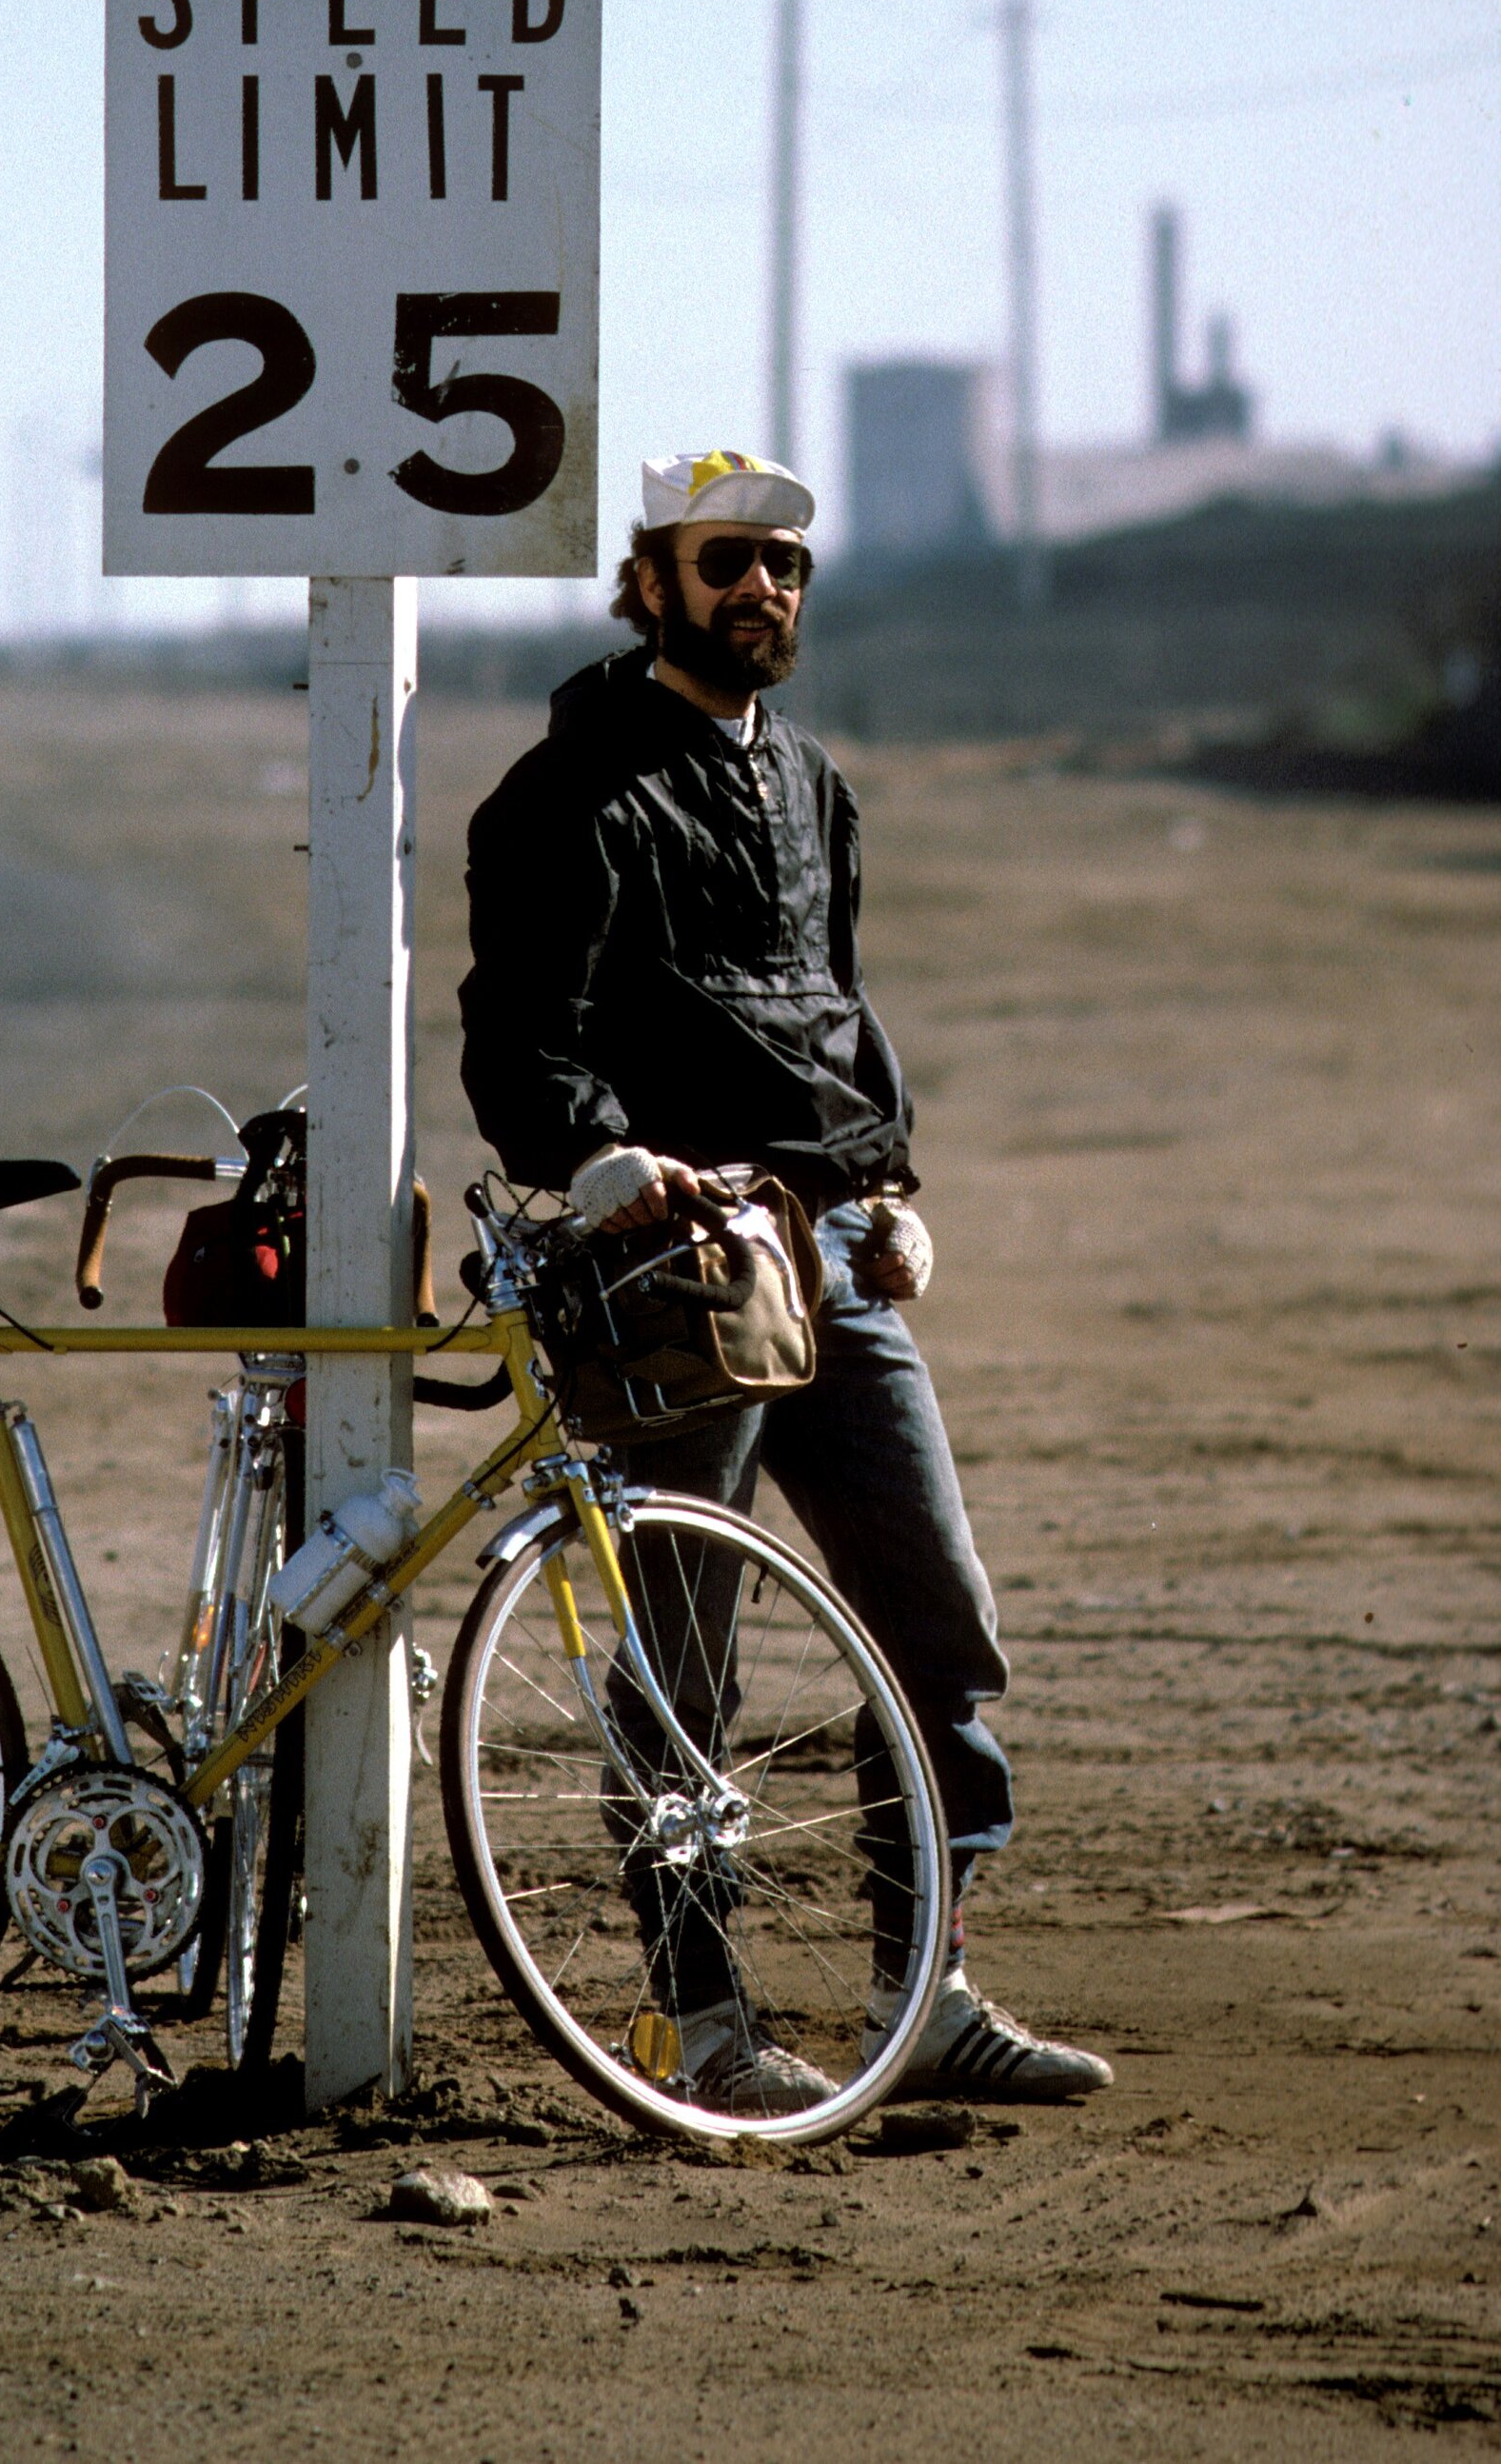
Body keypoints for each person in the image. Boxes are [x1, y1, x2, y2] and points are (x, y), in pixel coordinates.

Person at [460, 446, 1113, 2115]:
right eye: (728, 558)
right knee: (685, 1662)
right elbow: (519, 1036)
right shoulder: (573, 787)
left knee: (940, 1624)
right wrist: (598, 1155)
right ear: (653, 577)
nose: (765, 587)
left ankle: (932, 1991)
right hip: (677, 1275)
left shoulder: (813, 781)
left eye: (788, 565)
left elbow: (838, 1016)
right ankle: (698, 2016)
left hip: (834, 1256)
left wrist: (894, 1186)